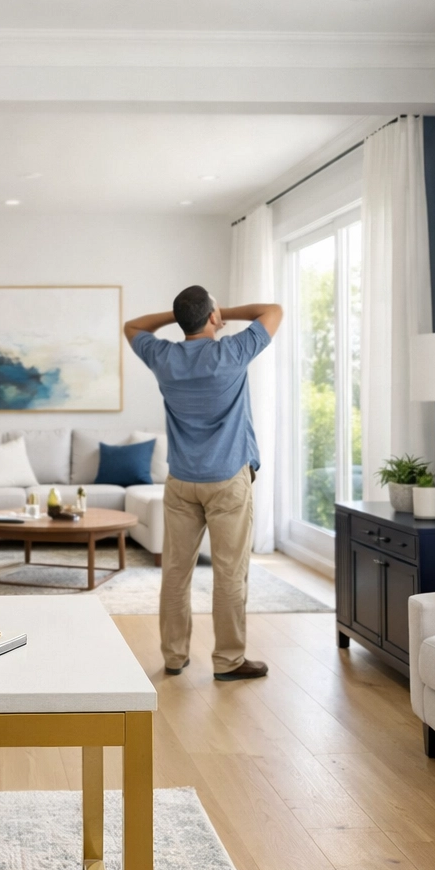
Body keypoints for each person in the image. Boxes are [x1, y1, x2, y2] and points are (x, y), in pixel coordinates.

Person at [124, 286, 282, 681]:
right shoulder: (232, 352)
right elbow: (273, 310)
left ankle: (175, 657)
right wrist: (219, 310)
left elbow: (131, 326)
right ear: (213, 317)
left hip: (181, 482)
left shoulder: (164, 357)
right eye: (214, 311)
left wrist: (187, 315)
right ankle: (228, 661)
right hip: (228, 480)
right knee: (230, 573)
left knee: (176, 572)